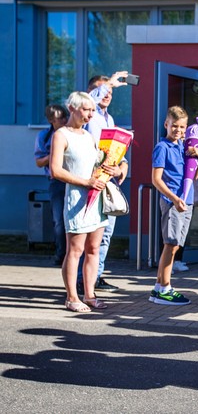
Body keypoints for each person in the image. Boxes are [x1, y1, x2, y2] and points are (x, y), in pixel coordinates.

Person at [50, 91, 113, 312]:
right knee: (75, 251)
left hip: (95, 199)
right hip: (77, 199)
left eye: (92, 110)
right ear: (72, 108)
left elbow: (97, 165)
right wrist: (85, 182)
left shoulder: (88, 136)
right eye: (86, 109)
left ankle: (90, 294)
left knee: (94, 248)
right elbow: (55, 170)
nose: (90, 114)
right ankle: (71, 297)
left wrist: (111, 168)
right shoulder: (61, 135)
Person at [76, 71, 129, 294]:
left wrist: (122, 167)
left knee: (104, 234)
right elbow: (90, 101)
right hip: (89, 182)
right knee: (85, 237)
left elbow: (115, 150)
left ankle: (96, 277)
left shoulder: (110, 119)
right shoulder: (89, 115)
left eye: (109, 91)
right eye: (103, 89)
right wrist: (111, 83)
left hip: (107, 182)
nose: (107, 93)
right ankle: (82, 281)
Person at [150, 106, 198, 305]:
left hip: (187, 201)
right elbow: (156, 179)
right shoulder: (162, 147)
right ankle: (165, 289)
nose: (179, 131)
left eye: (182, 127)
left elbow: (195, 176)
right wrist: (173, 198)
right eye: (175, 126)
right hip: (172, 202)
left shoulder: (184, 146)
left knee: (175, 246)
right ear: (166, 124)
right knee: (170, 244)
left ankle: (158, 288)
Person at [34, 104, 69, 266]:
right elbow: (39, 162)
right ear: (50, 120)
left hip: (73, 178)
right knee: (59, 219)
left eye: (65, 116)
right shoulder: (44, 136)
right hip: (56, 181)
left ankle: (72, 253)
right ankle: (61, 253)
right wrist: (54, 154)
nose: (64, 120)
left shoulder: (71, 133)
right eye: (60, 118)